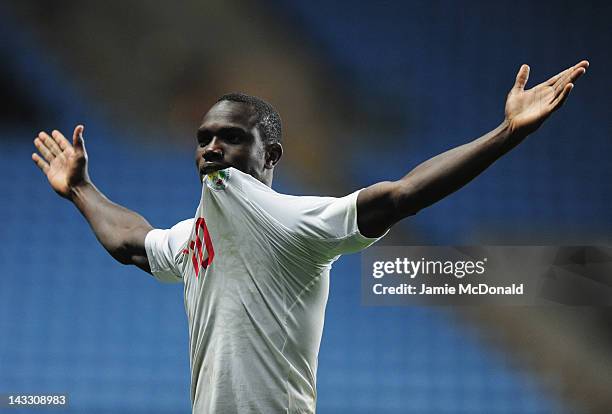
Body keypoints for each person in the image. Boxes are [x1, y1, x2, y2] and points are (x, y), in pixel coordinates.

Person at [31, 60, 588, 413]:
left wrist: (506, 132)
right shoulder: (192, 237)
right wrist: (81, 189)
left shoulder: (298, 223)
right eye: (203, 139)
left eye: (230, 137)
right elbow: (133, 242)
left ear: (270, 156)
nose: (211, 148)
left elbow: (401, 195)